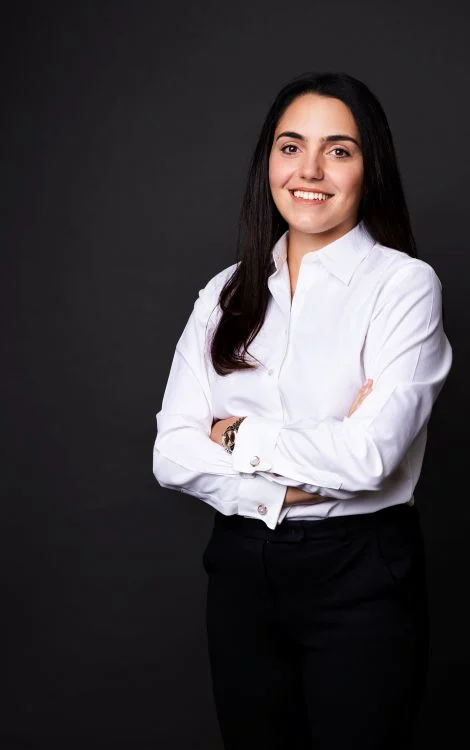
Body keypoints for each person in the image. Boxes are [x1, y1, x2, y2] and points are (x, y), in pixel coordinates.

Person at [153, 71, 452, 750]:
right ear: (268, 163)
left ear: (370, 169)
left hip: (361, 574)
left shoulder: (403, 287)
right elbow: (170, 453)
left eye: (338, 150)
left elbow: (369, 459)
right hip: (240, 570)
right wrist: (299, 474)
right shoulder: (225, 292)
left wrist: (236, 434)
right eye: (291, 147)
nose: (309, 170)